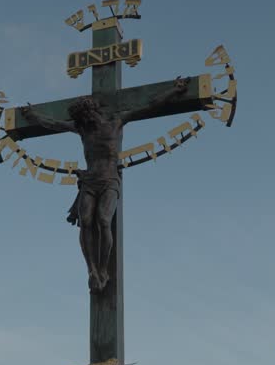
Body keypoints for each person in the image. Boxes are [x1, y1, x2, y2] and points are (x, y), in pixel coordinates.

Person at [19, 76, 189, 292]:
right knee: (86, 219)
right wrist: (32, 115)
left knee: (103, 220)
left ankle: (103, 269)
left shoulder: (115, 122)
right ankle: (92, 270)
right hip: (89, 181)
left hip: (109, 179)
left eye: (84, 115)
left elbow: (149, 106)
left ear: (93, 112)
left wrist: (174, 91)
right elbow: (53, 123)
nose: (83, 120)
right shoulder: (82, 130)